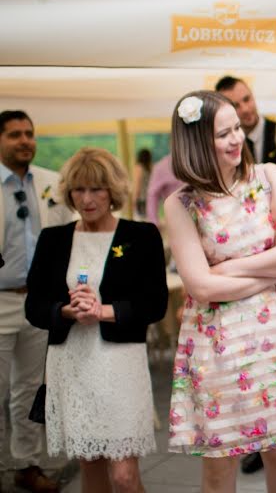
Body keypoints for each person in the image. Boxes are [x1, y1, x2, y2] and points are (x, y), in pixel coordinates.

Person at [164, 90, 276, 493]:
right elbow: (201, 286)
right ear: (197, 145)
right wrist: (270, 272)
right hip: (217, 345)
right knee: (221, 460)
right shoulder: (181, 203)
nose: (236, 139)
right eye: (223, 134)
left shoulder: (269, 176)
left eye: (237, 128)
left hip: (275, 336)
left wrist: (228, 268)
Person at [25, 147, 168, 493]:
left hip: (119, 364)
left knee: (123, 475)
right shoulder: (53, 239)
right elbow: (35, 305)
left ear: (113, 190)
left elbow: (155, 304)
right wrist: (64, 311)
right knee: (92, 468)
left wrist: (105, 311)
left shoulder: (141, 237)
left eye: (96, 189)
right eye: (79, 190)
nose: (87, 199)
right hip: (71, 363)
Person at [0, 110, 72, 493]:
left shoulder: (51, 182)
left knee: (28, 390)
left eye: (29, 133)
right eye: (14, 134)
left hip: (38, 302)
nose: (25, 140)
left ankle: (25, 465)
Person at [216, 75, 276, 165]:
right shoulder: (222, 143)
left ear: (253, 95)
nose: (245, 109)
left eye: (247, 99)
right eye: (235, 106)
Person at [145, 153, 182, 228]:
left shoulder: (202, 162)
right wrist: (154, 222)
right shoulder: (162, 166)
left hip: (206, 222)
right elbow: (152, 194)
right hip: (176, 222)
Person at [131, 148, 152, 220]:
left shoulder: (138, 168)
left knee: (139, 220)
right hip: (149, 197)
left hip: (141, 199)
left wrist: (133, 200)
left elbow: (137, 185)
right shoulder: (151, 167)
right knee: (147, 219)